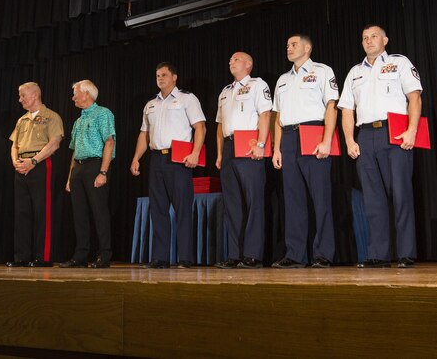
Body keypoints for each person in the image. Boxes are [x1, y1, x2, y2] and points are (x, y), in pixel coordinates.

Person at [338, 24, 423, 269]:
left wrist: (412, 130)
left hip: (394, 132)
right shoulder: (355, 72)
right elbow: (346, 109)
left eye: (374, 36)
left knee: (401, 194)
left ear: (385, 39)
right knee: (373, 199)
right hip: (365, 135)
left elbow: (415, 97)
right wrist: (349, 140)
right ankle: (378, 254)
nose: (369, 40)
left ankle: (406, 253)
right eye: (364, 37)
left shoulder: (400, 62)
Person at [130, 62, 206, 269]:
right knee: (158, 210)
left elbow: (200, 127)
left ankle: (185, 258)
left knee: (182, 209)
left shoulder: (187, 99)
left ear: (174, 77)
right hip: (156, 159)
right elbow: (144, 134)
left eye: (164, 75)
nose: (160, 78)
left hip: (178, 159)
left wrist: (195, 153)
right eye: (157, 76)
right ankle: (160, 258)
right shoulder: (150, 104)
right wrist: (136, 157)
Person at [271, 34, 338, 268]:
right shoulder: (282, 79)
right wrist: (276, 149)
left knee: (320, 198)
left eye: (294, 44)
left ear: (307, 47)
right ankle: (295, 254)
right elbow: (277, 117)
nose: (288, 47)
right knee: (292, 199)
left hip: (313, 133)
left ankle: (323, 253)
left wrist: (327, 139)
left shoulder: (322, 71)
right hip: (288, 137)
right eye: (287, 45)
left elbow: (332, 106)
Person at [214, 51, 272, 269]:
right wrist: (219, 154)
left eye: (236, 59)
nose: (231, 61)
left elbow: (265, 114)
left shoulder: (258, 85)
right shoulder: (225, 91)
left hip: (249, 145)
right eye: (230, 59)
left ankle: (253, 254)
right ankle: (235, 254)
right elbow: (219, 126)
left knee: (254, 201)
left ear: (248, 64)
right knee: (232, 204)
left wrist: (261, 144)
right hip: (229, 147)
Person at [7, 82, 64, 267]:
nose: (20, 99)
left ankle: (43, 257)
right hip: (21, 166)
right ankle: (21, 257)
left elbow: (54, 143)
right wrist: (16, 161)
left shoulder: (51, 117)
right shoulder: (22, 120)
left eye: (23, 95)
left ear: (34, 95)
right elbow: (14, 145)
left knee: (42, 211)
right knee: (22, 212)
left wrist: (33, 162)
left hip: (39, 164)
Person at [60, 80, 116, 269]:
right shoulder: (78, 120)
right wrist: (70, 177)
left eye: (75, 92)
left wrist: (103, 172)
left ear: (87, 94)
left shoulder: (103, 113)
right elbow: (74, 151)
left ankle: (104, 255)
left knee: (99, 212)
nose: (73, 97)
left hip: (95, 165)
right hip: (79, 168)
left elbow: (109, 142)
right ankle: (80, 255)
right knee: (79, 214)